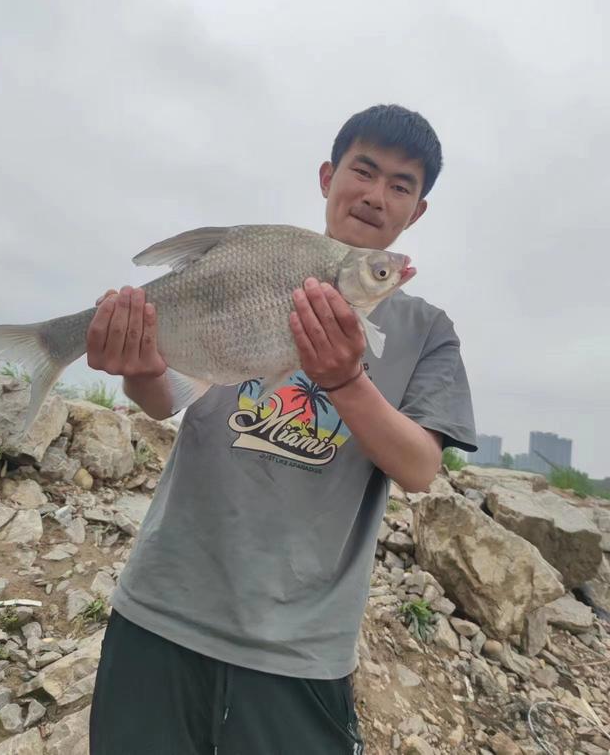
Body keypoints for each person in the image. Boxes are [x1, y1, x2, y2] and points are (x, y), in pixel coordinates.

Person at [87, 104, 477, 754]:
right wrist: (136, 367)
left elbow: (418, 468)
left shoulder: (427, 332)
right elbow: (164, 397)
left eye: (402, 185)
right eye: (365, 170)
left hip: (299, 651)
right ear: (328, 176)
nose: (377, 196)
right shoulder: (257, 264)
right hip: (159, 610)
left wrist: (347, 382)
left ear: (418, 209)